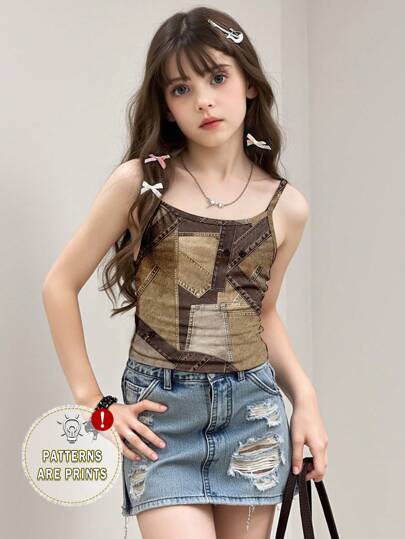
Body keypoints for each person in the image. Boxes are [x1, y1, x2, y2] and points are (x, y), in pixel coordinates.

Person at [42, 6, 328, 539]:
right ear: (167, 106)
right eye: (181, 89)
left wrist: (305, 400)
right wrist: (95, 404)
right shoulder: (140, 184)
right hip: (163, 420)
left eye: (217, 77)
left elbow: (263, 315)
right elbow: (59, 285)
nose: (203, 100)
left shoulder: (287, 207)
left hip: (252, 416)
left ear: (248, 83)